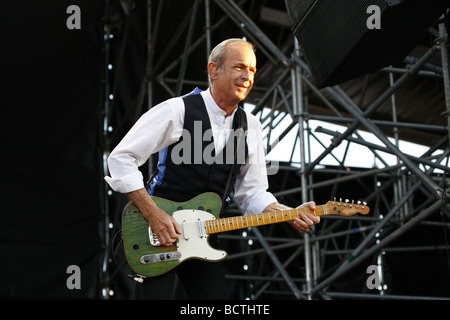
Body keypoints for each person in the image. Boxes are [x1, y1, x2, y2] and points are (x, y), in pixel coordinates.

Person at [105, 38, 320, 299]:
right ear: (213, 70)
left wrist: (287, 212)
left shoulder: (250, 126)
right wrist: (154, 214)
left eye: (252, 70)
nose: (247, 76)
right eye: (239, 67)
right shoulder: (178, 109)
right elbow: (121, 158)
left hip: (205, 235)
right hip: (159, 231)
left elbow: (252, 192)